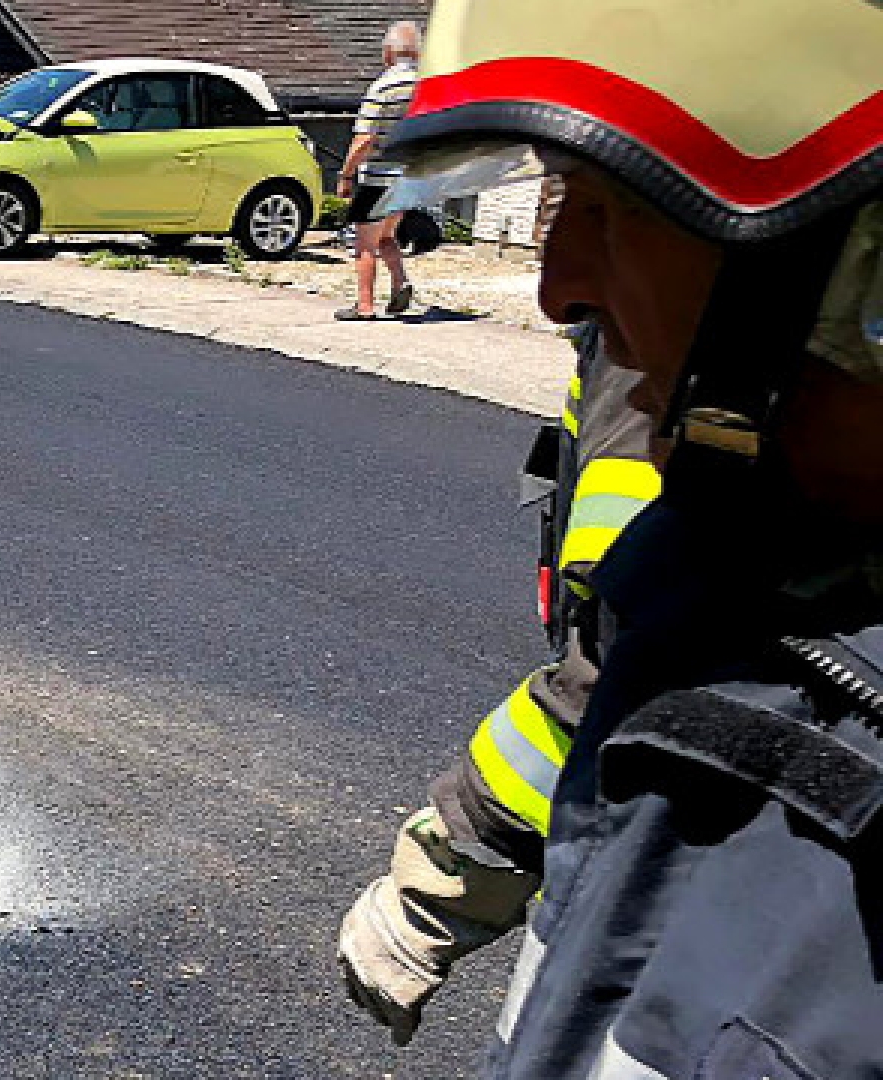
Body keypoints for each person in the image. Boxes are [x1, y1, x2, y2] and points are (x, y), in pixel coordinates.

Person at [347, 0, 883, 1074]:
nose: (556, 288)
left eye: (606, 207)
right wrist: (460, 861)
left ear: (855, 273)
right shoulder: (724, 564)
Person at [337, 323, 659, 1045]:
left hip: (675, 880)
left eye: (603, 214)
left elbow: (625, 662)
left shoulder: (680, 336)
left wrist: (439, 889)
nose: (557, 275)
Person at [334, 21, 419, 322]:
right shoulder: (425, 87)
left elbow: (364, 139)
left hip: (378, 177)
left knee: (364, 243)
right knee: (387, 236)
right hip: (410, 176)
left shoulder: (383, 87)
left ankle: (365, 306)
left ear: (387, 54)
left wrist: (346, 175)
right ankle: (400, 281)